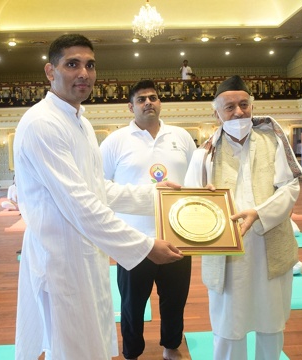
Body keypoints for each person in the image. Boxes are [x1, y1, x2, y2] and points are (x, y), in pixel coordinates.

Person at [12, 34, 183, 359]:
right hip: (60, 257)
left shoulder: (80, 123)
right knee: (73, 348)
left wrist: (154, 196)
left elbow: (97, 189)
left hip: (86, 255)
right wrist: (145, 246)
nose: (84, 73)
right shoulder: (42, 124)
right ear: (50, 71)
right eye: (72, 64)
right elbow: (80, 204)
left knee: (95, 344)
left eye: (90, 65)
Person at [184, 75, 302, 360]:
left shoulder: (272, 141)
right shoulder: (204, 155)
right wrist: (203, 200)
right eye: (229, 107)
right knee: (228, 327)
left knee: (271, 324)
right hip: (226, 254)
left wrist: (259, 213)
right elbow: (191, 202)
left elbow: (291, 187)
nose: (238, 112)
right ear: (216, 113)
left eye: (244, 104)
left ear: (252, 106)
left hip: (269, 246)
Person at [100, 79, 195, 360]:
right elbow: (99, 186)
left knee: (175, 300)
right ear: (130, 106)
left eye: (153, 97)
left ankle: (170, 346)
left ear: (160, 102)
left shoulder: (181, 137)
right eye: (141, 99)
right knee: (131, 305)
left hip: (178, 235)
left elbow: (195, 182)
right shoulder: (115, 141)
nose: (148, 103)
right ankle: (131, 352)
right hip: (133, 241)